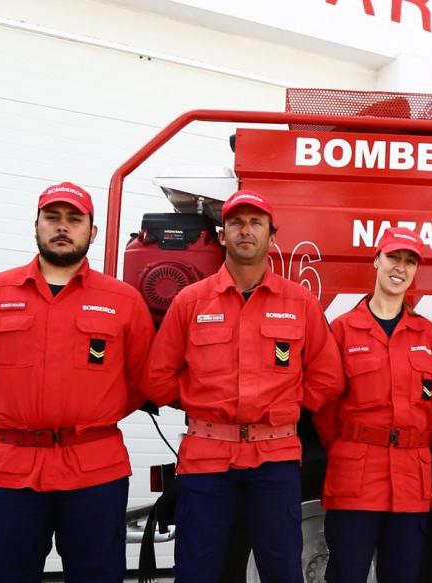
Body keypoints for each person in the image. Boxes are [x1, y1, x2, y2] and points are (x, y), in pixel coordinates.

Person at [0, 182, 154, 582]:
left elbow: (141, 378)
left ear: (91, 232)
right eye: (53, 218)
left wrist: (92, 411)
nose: (63, 227)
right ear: (37, 225)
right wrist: (17, 411)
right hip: (12, 468)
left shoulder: (124, 301)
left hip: (94, 468)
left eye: (74, 219)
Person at [143, 190, 344, 583]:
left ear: (272, 236)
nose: (245, 230)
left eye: (255, 223)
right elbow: (157, 379)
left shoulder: (300, 303)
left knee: (282, 569)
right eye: (236, 222)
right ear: (222, 235)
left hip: (275, 459)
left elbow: (328, 378)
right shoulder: (191, 302)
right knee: (198, 569)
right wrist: (205, 404)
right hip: (206, 457)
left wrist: (282, 406)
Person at [314, 227, 432, 583]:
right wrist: (352, 446)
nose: (400, 268)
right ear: (376, 260)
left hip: (410, 480)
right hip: (356, 479)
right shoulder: (342, 330)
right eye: (393, 257)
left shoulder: (428, 335)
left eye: (409, 261)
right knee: (347, 574)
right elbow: (326, 407)